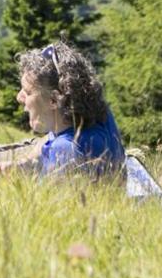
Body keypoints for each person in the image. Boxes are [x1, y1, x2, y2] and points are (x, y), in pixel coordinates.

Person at [7, 41, 124, 178]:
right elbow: (50, 138)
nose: (19, 98)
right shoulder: (98, 115)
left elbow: (50, 198)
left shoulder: (64, 150)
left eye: (27, 92)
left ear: (54, 100)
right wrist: (20, 165)